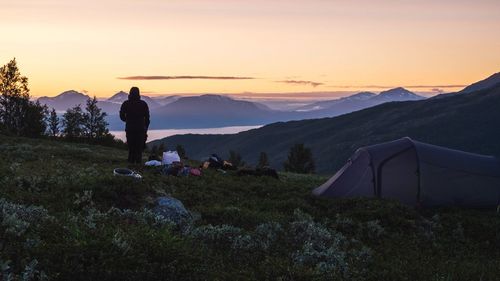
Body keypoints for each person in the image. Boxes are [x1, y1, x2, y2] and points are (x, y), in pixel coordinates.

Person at [120, 87, 150, 164]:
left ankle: (130, 164)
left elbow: (121, 116)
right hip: (140, 129)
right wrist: (145, 128)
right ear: (139, 94)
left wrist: (127, 120)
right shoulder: (143, 104)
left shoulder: (126, 103)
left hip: (130, 129)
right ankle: (138, 165)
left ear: (130, 93)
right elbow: (147, 118)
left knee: (131, 148)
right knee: (139, 149)